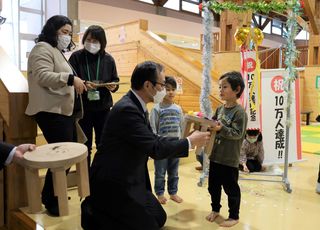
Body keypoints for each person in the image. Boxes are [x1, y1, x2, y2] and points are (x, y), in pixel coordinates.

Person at [81, 61, 210, 230]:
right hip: (113, 182)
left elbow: (153, 139)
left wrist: (186, 141)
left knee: (159, 217)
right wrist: (189, 142)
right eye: (162, 84)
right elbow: (155, 147)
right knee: (149, 225)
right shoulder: (127, 109)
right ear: (148, 85)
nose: (163, 89)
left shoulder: (138, 105)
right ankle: (94, 212)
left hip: (131, 178)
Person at [25, 15, 87, 216]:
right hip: (50, 111)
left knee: (66, 155)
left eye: (69, 33)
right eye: (64, 32)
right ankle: (52, 198)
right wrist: (70, 78)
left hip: (62, 111)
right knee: (63, 155)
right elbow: (43, 76)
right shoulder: (42, 48)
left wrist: (78, 81)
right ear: (53, 30)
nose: (67, 37)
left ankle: (52, 194)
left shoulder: (56, 51)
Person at [69, 25, 119, 168]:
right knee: (85, 146)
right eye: (89, 39)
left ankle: (99, 175)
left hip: (103, 108)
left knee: (103, 144)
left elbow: (115, 80)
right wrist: (84, 83)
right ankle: (86, 181)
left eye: (95, 40)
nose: (91, 43)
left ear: (102, 42)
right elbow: (70, 79)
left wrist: (113, 86)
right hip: (82, 109)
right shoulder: (76, 57)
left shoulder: (108, 59)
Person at [206, 71, 247, 228]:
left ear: (236, 90)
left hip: (229, 159)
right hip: (215, 156)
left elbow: (237, 134)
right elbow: (214, 124)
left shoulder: (239, 112)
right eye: (220, 87)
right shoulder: (220, 109)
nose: (220, 90)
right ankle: (215, 209)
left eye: (225, 87)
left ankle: (234, 216)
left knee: (231, 189)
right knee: (213, 186)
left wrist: (220, 127)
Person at [150, 76, 184, 204]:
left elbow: (182, 126)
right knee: (160, 172)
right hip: (162, 145)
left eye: (173, 89)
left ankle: (173, 192)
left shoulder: (178, 108)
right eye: (167, 89)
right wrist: (156, 144)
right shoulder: (156, 108)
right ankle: (159, 193)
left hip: (175, 144)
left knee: (174, 172)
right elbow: (153, 128)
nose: (171, 92)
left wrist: (182, 142)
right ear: (161, 91)